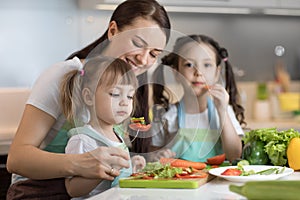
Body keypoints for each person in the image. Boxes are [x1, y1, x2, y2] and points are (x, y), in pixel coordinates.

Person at [6, 0, 170, 198]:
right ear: (113, 31)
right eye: (137, 44)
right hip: (41, 192)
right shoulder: (66, 74)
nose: (144, 60)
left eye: (153, 54)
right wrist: (81, 164)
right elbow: (17, 159)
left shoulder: (129, 89)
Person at [150, 34, 245, 162]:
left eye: (207, 65)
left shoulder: (224, 111)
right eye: (189, 65)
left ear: (217, 73)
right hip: (180, 181)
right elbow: (151, 155)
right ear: (176, 72)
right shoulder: (167, 115)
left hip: (217, 181)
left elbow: (235, 155)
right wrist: (157, 156)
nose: (198, 72)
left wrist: (222, 112)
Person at [61, 56, 145, 198]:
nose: (125, 102)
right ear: (89, 97)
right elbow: (73, 189)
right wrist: (107, 171)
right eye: (115, 94)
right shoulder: (82, 140)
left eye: (130, 96)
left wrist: (131, 166)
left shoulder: (117, 135)